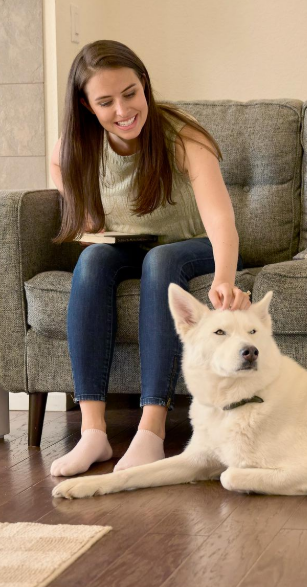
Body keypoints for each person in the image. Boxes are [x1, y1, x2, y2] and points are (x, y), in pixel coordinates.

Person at [47, 40, 250, 478]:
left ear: (145, 86)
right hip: (131, 246)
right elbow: (78, 207)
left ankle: (152, 430)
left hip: (190, 245)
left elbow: (220, 218)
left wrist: (225, 278)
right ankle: (93, 432)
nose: (123, 109)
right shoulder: (75, 148)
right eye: (106, 101)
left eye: (130, 93)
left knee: (159, 261)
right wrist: (91, 229)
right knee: (93, 263)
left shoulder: (181, 134)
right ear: (87, 106)